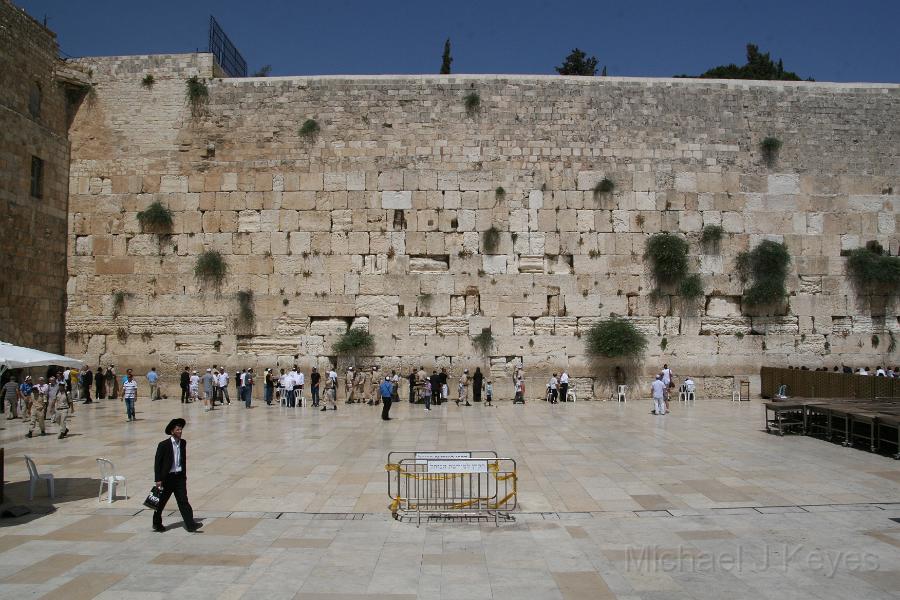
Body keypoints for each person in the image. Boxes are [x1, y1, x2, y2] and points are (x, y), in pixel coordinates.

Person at [153, 418, 201, 533]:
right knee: (161, 502)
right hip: (167, 478)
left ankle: (190, 525)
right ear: (172, 431)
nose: (180, 431)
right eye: (177, 429)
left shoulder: (183, 443)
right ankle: (157, 524)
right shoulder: (163, 445)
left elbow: (182, 460)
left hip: (179, 477)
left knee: (183, 501)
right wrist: (158, 479)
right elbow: (157, 462)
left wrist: (183, 475)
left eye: (181, 429)